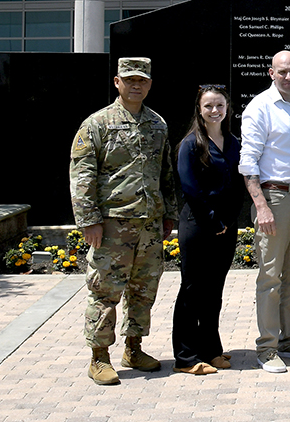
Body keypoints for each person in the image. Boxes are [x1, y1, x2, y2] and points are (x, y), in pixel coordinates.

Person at [69, 57, 177, 386]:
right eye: (129, 79)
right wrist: (89, 220)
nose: (135, 85)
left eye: (141, 80)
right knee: (105, 290)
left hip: (149, 223)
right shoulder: (97, 124)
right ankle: (99, 356)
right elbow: (82, 174)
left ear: (149, 85)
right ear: (117, 82)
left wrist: (169, 212)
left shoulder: (157, 124)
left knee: (143, 291)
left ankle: (134, 347)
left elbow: (165, 173)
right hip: (113, 225)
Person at [239, 50, 290, 373]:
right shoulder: (259, 107)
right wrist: (261, 205)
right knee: (271, 277)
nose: (288, 77)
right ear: (270, 73)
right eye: (281, 72)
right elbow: (248, 162)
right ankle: (268, 347)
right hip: (275, 199)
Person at [171, 84, 245, 375]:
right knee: (192, 290)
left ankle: (211, 349)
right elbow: (190, 188)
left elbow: (239, 183)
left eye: (220, 106)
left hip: (226, 227)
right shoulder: (191, 144)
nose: (215, 111)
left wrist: (228, 221)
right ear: (199, 110)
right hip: (199, 226)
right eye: (208, 106)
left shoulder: (234, 142)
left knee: (214, 290)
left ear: (227, 109)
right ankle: (186, 357)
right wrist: (213, 220)